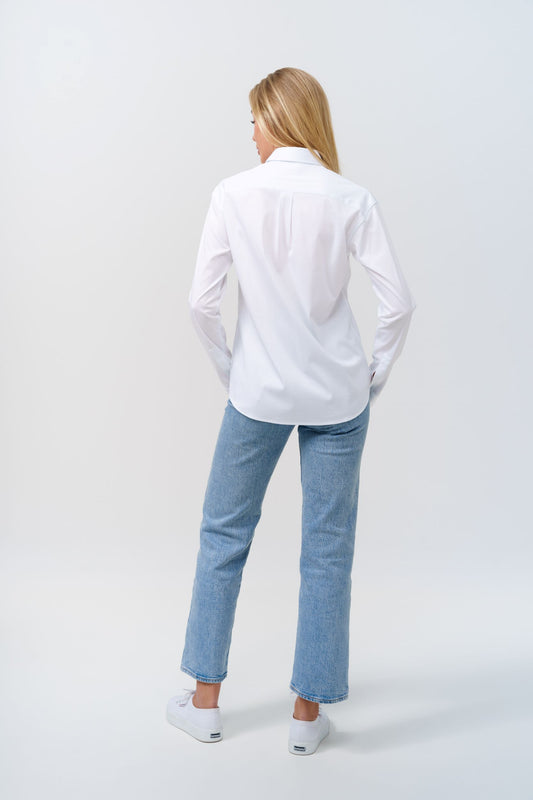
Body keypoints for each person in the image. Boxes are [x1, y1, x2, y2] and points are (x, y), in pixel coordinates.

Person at [166, 67, 416, 755]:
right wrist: (373, 374)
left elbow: (200, 303)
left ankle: (205, 704)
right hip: (339, 396)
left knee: (223, 536)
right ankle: (307, 717)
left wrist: (232, 370)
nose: (250, 133)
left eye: (254, 120)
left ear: (277, 119)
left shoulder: (232, 193)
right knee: (327, 550)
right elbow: (397, 303)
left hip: (258, 394)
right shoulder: (350, 197)